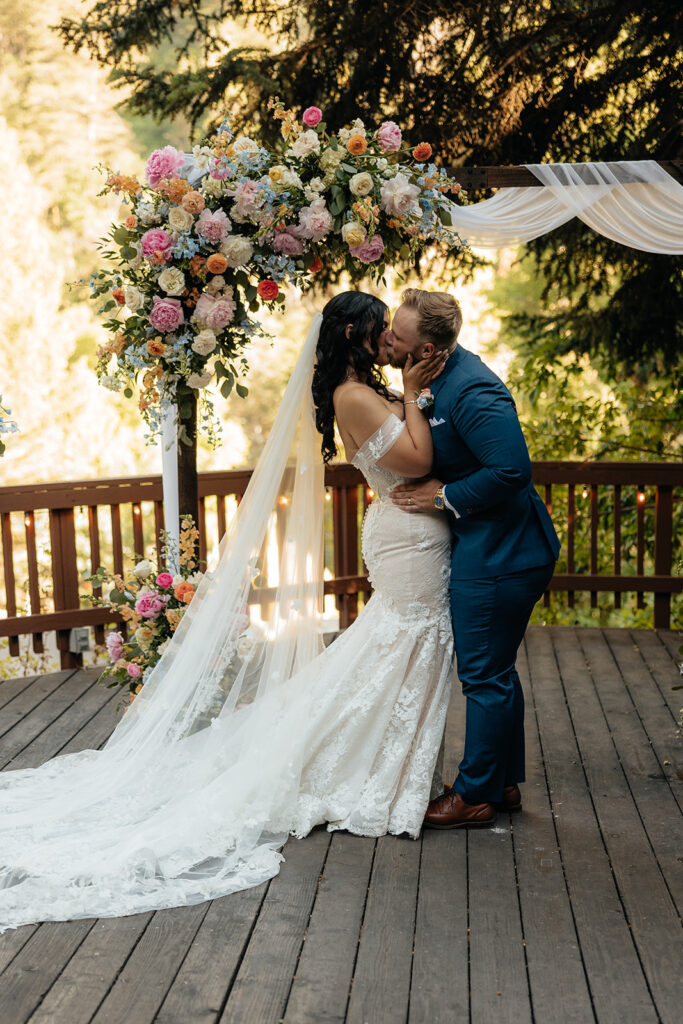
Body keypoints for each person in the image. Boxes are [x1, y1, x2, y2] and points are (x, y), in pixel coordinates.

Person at [0, 291, 454, 932]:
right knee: (396, 644)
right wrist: (411, 392)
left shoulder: (363, 386)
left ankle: (383, 759)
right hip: (404, 539)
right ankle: (359, 765)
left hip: (407, 535)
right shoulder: (356, 394)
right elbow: (417, 459)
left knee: (390, 648)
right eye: (383, 328)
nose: (391, 339)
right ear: (354, 332)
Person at [388, 289, 560, 828]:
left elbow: (512, 470)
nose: (389, 341)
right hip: (493, 548)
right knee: (497, 671)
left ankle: (475, 795)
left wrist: (443, 496)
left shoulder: (473, 389)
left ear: (427, 349)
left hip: (502, 553)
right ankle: (502, 783)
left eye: (399, 337)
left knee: (483, 675)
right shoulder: (433, 380)